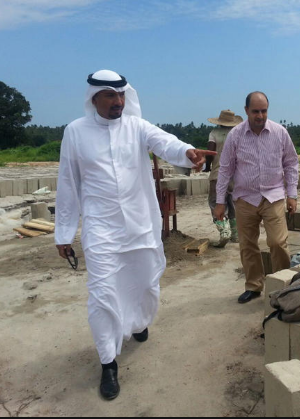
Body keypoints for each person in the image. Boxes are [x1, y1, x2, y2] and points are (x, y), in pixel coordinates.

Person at [54, 69, 216, 400]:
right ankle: (108, 362)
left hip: (140, 225)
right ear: (94, 98)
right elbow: (68, 182)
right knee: (102, 294)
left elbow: (166, 142)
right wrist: (64, 232)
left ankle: (140, 323)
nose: (118, 101)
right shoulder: (75, 132)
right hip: (101, 229)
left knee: (144, 283)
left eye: (121, 95)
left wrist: (187, 153)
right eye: (110, 95)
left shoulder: (136, 127)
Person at [214, 92, 298, 304]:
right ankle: (253, 285)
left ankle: (283, 287)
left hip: (273, 195)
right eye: (255, 111)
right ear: (246, 111)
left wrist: (292, 194)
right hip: (245, 198)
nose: (260, 116)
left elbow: (291, 163)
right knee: (248, 244)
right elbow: (225, 169)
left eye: (264, 111)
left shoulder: (279, 132)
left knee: (278, 242)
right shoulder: (235, 135)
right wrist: (220, 201)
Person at [204, 109, 243, 247]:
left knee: (215, 203)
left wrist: (207, 166)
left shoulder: (214, 133)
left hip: (218, 173)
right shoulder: (238, 133)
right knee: (233, 204)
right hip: (235, 175)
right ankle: (236, 234)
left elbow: (210, 152)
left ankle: (224, 231)